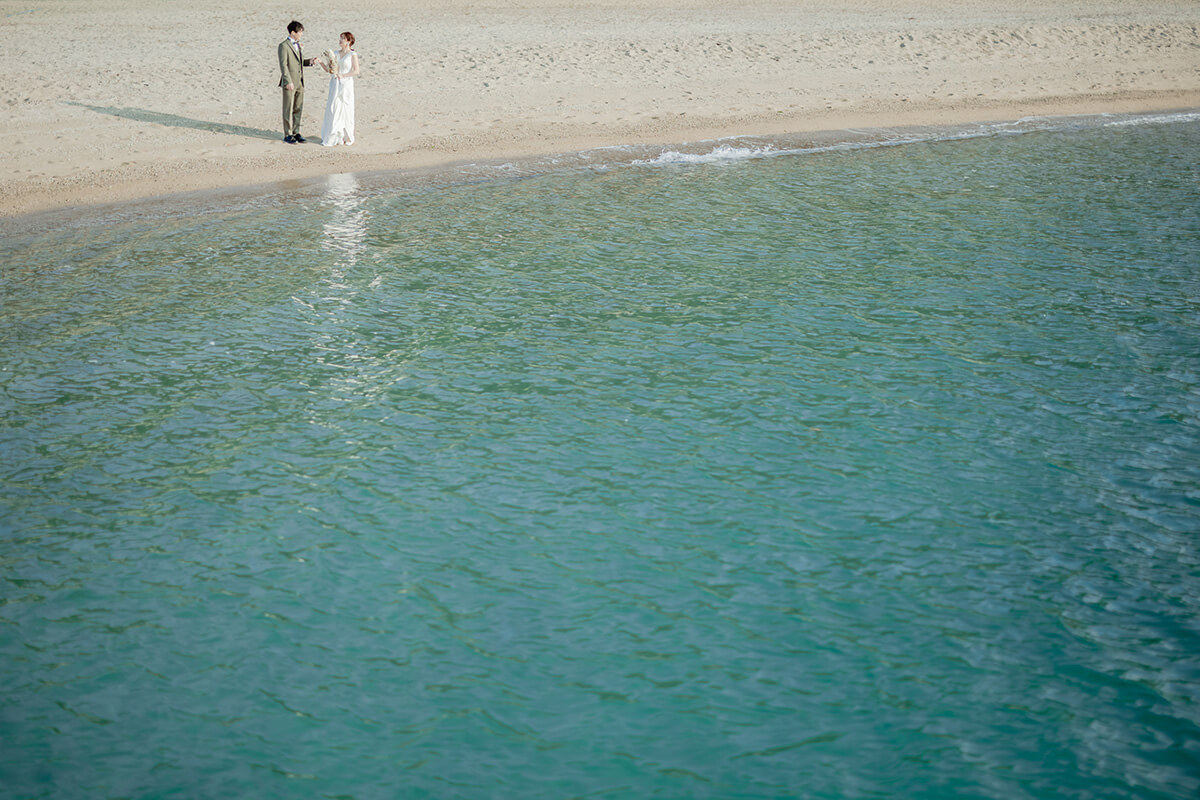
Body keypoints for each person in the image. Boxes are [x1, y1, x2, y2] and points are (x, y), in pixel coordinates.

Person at [278, 20, 317, 144]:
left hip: (300, 81)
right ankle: (287, 134)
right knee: (287, 108)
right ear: (293, 32)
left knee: (298, 107)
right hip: (289, 82)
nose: (301, 34)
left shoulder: (298, 44)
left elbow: (299, 62)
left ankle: (296, 132)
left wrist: (309, 62)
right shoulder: (283, 46)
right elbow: (283, 65)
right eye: (300, 32)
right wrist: (288, 81)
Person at [319, 32, 360, 147]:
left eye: (343, 39)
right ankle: (336, 136)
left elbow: (356, 71)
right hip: (335, 83)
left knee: (346, 108)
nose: (340, 40)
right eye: (340, 38)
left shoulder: (352, 54)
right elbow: (329, 69)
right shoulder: (335, 53)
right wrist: (320, 62)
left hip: (346, 84)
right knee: (334, 108)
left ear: (348, 41)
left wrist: (343, 76)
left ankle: (347, 136)